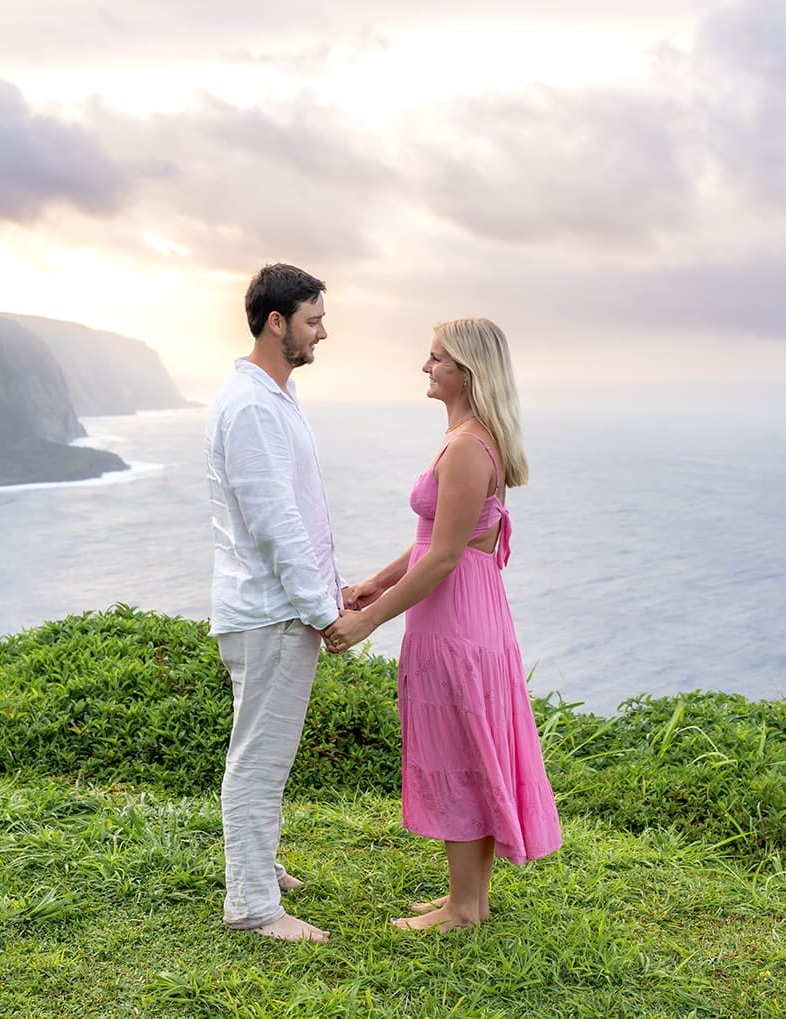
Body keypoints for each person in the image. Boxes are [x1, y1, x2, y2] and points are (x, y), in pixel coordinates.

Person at [324, 317, 562, 932]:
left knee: (460, 748)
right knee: (473, 747)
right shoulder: (478, 437)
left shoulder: (464, 446)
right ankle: (469, 900)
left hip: (455, 615)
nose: (426, 368)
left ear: (466, 371)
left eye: (435, 359)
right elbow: (435, 539)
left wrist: (370, 618)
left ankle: (462, 907)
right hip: (472, 610)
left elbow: (446, 555)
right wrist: (377, 580)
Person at [205, 262, 344, 943]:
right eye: (313, 319)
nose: (323, 332)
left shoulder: (271, 396)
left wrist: (328, 588)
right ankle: (254, 905)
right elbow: (274, 520)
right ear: (276, 321)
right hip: (273, 612)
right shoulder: (256, 405)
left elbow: (299, 516)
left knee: (262, 754)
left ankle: (260, 866)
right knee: (259, 761)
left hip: (269, 606)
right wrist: (321, 609)